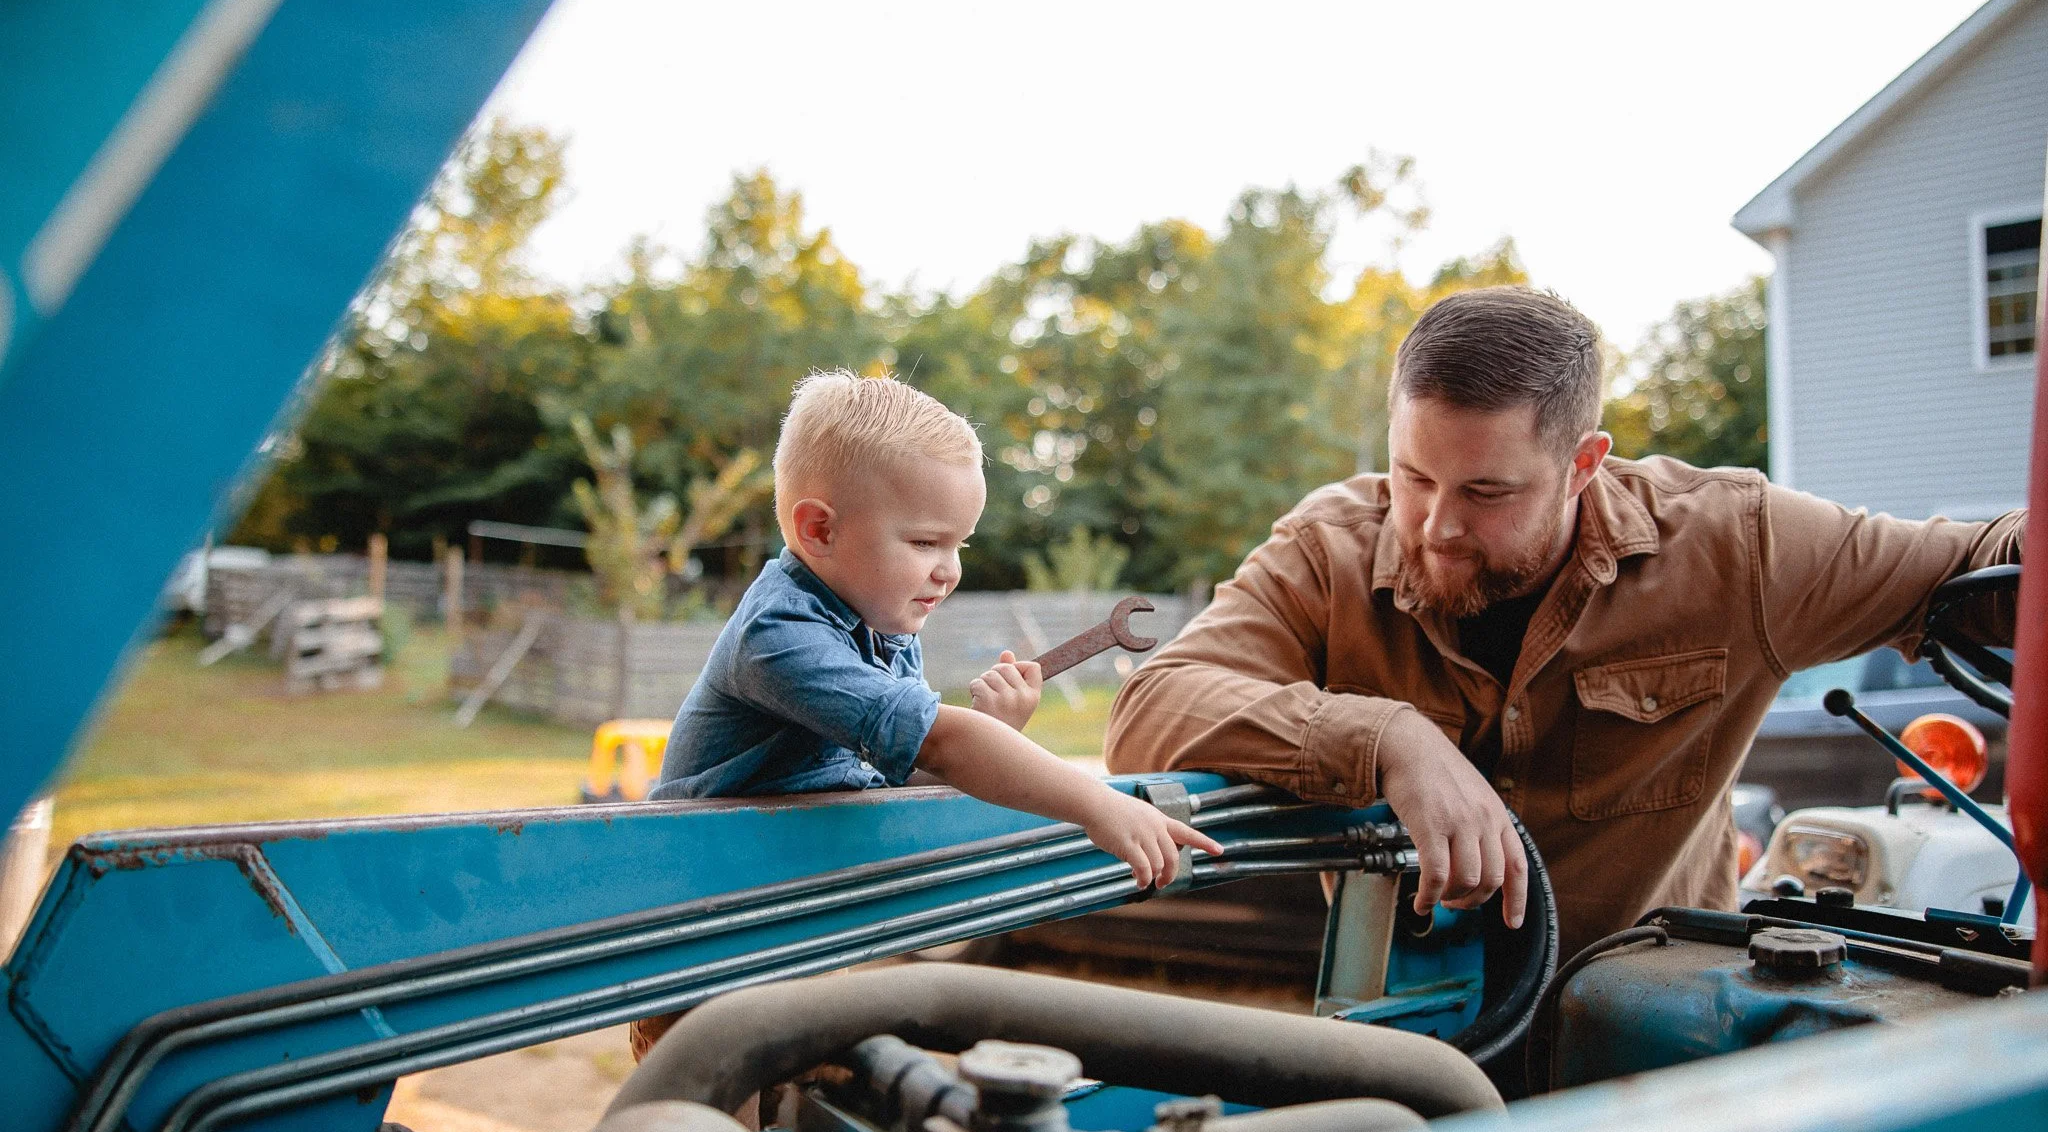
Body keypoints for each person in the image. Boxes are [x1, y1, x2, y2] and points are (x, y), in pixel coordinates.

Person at [1105, 286, 2023, 962]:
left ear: (1584, 462)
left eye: (1487, 491)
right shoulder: (1329, 553)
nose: (1435, 524)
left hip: (1652, 1051)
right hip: (1412, 1054)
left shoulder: (1735, 546)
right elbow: (1152, 707)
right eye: (1414, 476)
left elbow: (1978, 564)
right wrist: (1391, 736)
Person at [649, 369, 1219, 890]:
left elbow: (909, 777)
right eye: (925, 542)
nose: (950, 571)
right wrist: (1103, 806)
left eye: (959, 544)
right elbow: (945, 746)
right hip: (682, 891)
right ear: (819, 529)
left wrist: (996, 729)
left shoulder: (886, 631)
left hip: (776, 890)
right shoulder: (779, 637)